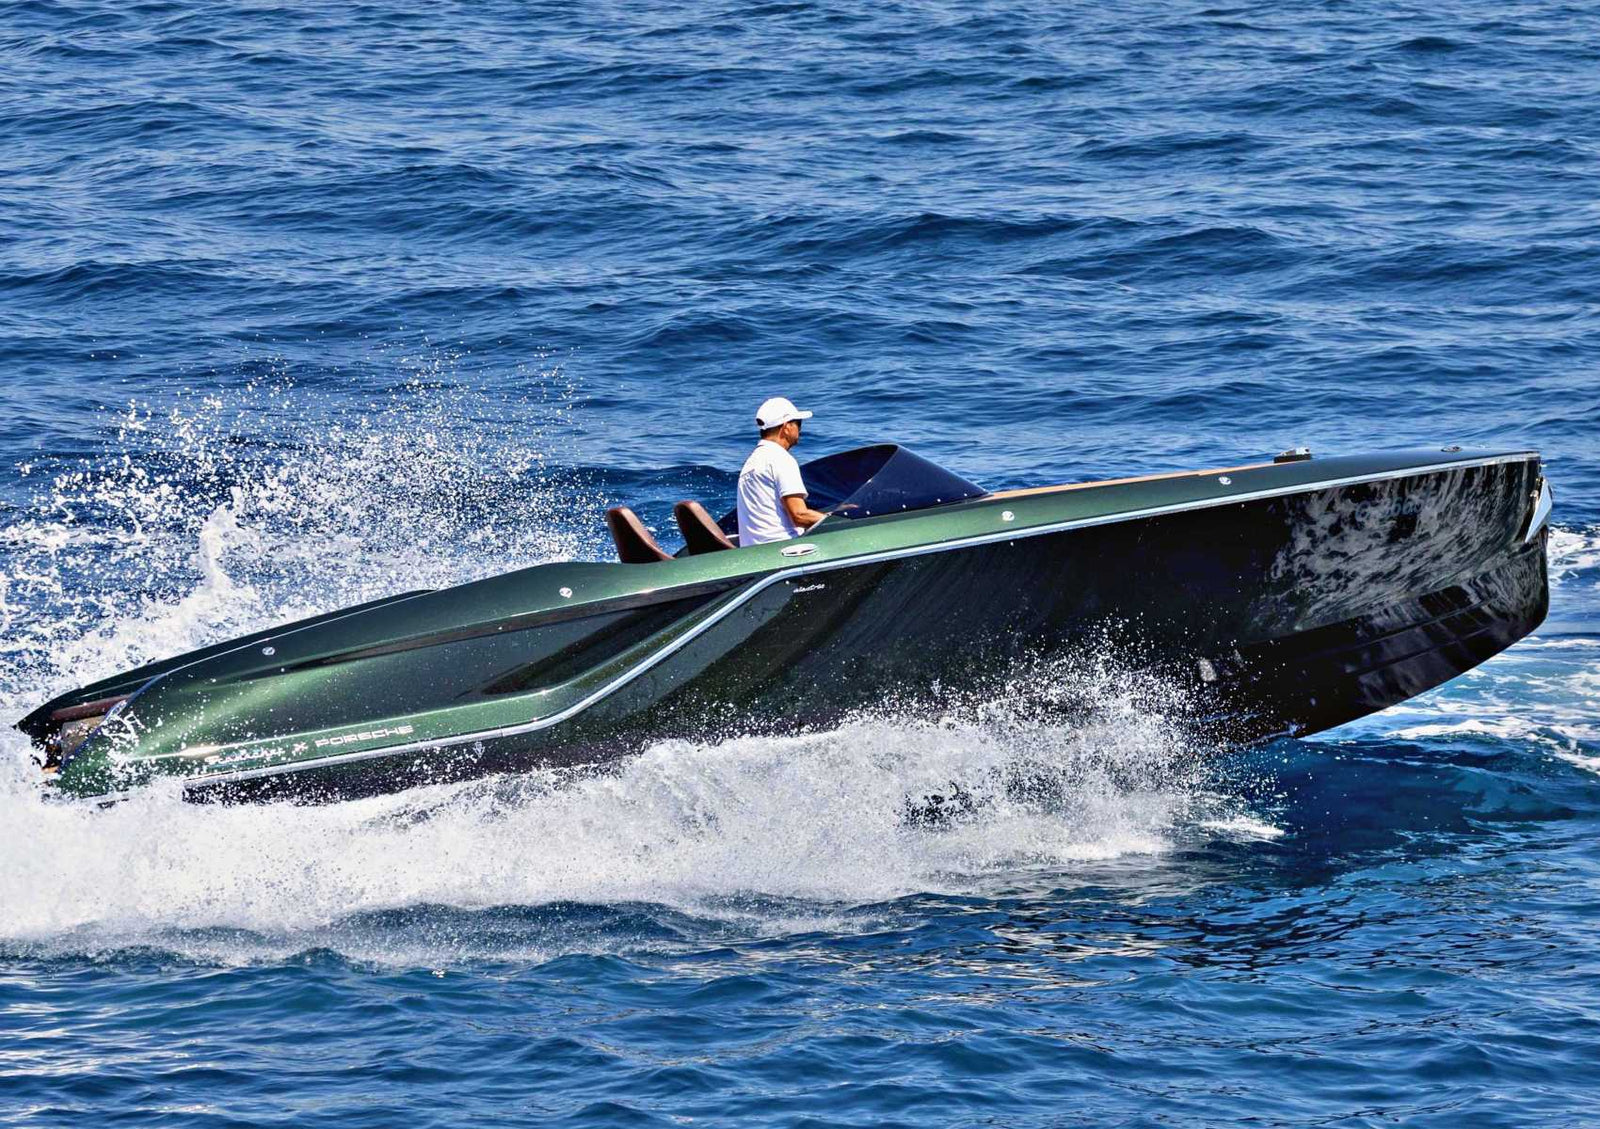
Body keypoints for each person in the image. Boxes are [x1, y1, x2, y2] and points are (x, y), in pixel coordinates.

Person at [736, 396, 828, 546]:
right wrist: (838, 522)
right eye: (798, 423)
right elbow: (799, 516)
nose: (800, 428)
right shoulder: (781, 459)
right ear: (786, 427)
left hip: (756, 553)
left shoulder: (751, 463)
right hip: (784, 550)